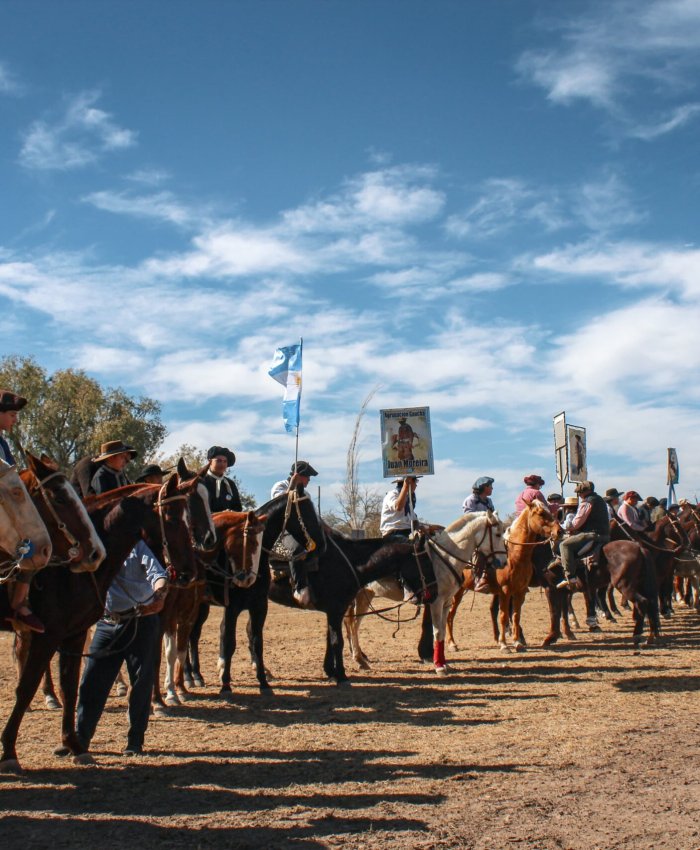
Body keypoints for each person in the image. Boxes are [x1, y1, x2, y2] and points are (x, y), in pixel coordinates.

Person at [75, 540, 168, 756]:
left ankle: (135, 742)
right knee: (91, 681)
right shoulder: (99, 548)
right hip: (107, 624)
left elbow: (158, 575)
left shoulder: (139, 547)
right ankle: (80, 738)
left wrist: (160, 595)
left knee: (142, 682)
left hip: (141, 622)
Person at [0, 389, 45, 633]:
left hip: (7, 508)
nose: (15, 419)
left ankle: (18, 603)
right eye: (12, 414)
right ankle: (18, 605)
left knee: (36, 543)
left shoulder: (3, 443)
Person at [270, 460, 319, 608]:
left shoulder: (307, 494)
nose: (309, 480)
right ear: (299, 476)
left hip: (303, 532)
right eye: (307, 477)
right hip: (283, 532)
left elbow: (313, 517)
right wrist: (292, 486)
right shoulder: (280, 486)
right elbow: (279, 505)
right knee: (297, 549)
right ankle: (300, 588)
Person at [558, 481, 610, 592]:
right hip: (605, 535)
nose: (580, 496)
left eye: (580, 493)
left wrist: (564, 527)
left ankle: (570, 576)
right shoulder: (600, 500)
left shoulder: (587, 502)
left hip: (591, 534)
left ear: (583, 492)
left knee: (564, 545)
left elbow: (577, 524)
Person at [202, 446, 242, 512]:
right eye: (219, 461)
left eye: (225, 461)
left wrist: (231, 513)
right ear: (210, 462)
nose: (222, 464)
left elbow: (238, 508)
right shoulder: (202, 481)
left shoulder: (230, 484)